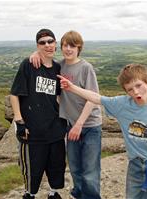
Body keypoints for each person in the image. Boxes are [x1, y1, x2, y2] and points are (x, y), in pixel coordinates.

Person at [58, 63, 147, 199]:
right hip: (136, 164)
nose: (136, 92)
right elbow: (96, 97)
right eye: (130, 89)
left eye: (138, 85)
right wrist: (72, 88)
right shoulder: (122, 104)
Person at [30, 30, 102, 199]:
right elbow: (44, 61)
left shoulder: (86, 68)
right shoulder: (59, 66)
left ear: (79, 48)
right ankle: (78, 194)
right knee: (75, 168)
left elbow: (93, 99)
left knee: (90, 170)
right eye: (65, 45)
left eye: (72, 45)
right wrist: (34, 53)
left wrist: (79, 124)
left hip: (90, 125)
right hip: (70, 125)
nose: (68, 49)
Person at [10, 28, 67, 199]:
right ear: (37, 45)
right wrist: (19, 122)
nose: (47, 45)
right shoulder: (28, 65)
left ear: (55, 44)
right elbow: (15, 94)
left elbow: (58, 96)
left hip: (54, 129)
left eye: (50, 41)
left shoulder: (58, 67)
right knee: (33, 169)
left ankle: (53, 194)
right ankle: (30, 194)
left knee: (56, 166)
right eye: (42, 43)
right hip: (32, 130)